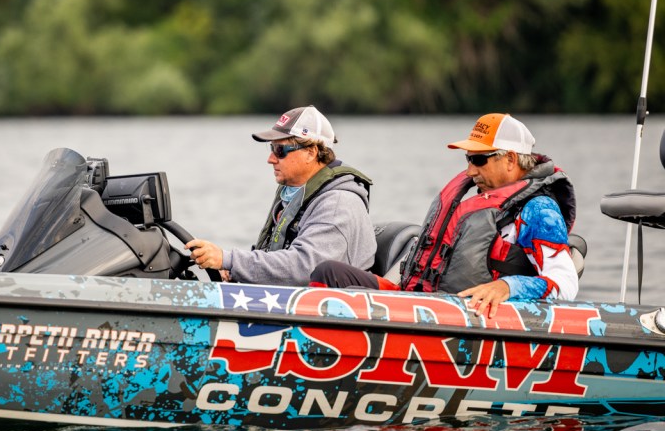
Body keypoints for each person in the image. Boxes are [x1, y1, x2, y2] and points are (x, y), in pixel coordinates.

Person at [311, 113, 579, 318]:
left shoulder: (540, 210)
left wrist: (507, 288)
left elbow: (565, 285)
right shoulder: (479, 200)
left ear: (510, 159)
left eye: (479, 160)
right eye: (468, 159)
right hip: (423, 303)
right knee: (329, 272)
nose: (471, 171)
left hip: (461, 315)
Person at [185, 105, 376, 286]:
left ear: (311, 152)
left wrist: (229, 260)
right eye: (271, 149)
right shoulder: (296, 195)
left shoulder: (338, 203)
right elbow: (277, 255)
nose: (271, 159)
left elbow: (303, 267)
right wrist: (233, 270)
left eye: (280, 150)